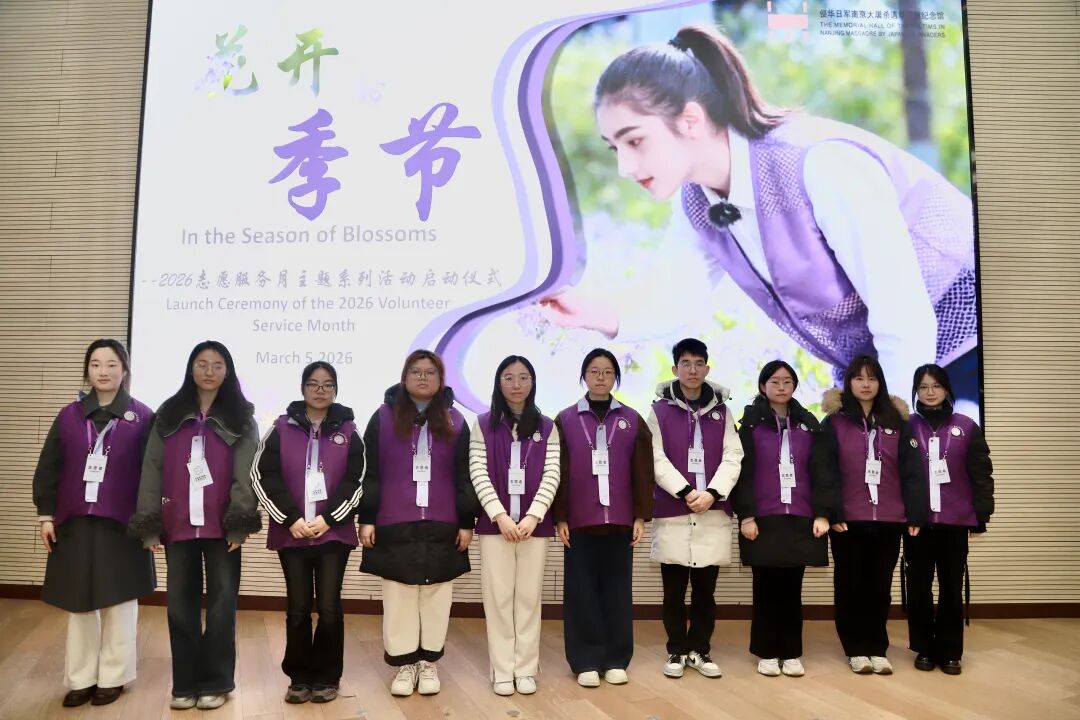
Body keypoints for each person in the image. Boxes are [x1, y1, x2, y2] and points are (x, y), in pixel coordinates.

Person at [543, 22, 978, 406]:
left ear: (690, 119)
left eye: (635, 141)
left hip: (973, 349)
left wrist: (895, 426)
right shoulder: (697, 199)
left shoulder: (820, 164)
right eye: (614, 148)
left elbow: (902, 315)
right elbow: (674, 294)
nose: (624, 166)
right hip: (894, 371)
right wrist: (589, 312)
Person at [129, 340, 261, 711]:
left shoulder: (241, 417)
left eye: (217, 364)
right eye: (201, 363)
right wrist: (149, 524)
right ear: (190, 368)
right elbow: (151, 470)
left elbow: (246, 474)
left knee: (221, 607)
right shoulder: (168, 414)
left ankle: (216, 682)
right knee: (179, 606)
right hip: (178, 526)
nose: (209, 371)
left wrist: (239, 522)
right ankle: (184, 684)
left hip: (222, 528)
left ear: (228, 371)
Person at [31, 339, 156, 707]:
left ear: (125, 370)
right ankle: (81, 678)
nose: (104, 371)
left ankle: (114, 677)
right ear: (87, 370)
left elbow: (154, 477)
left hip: (123, 525)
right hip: (74, 523)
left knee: (120, 601)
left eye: (112, 364)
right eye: (96, 364)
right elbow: (49, 467)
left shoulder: (142, 417)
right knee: (79, 602)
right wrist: (46, 514)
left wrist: (151, 524)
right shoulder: (68, 416)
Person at [357, 350, 478, 698]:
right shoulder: (382, 418)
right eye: (416, 371)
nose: (423, 377)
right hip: (394, 520)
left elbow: (464, 475)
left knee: (437, 596)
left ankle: (428, 663)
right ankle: (404, 664)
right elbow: (371, 472)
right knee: (399, 596)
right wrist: (367, 518)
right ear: (404, 377)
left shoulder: (456, 420)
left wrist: (466, 521)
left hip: (443, 521)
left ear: (441, 380)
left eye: (430, 372)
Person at [251, 361, 364, 703]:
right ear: (302, 388)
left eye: (327, 384)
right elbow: (262, 475)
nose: (320, 390)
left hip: (333, 533)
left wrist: (330, 518)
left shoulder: (349, 430)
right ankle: (299, 677)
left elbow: (357, 480)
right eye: (313, 384)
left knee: (329, 608)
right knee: (298, 608)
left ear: (336, 390)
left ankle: (327, 676)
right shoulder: (281, 427)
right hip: (293, 533)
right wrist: (290, 519)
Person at [814, 354, 927, 675]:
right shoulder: (834, 423)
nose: (866, 384)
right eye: (859, 378)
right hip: (848, 520)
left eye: (872, 378)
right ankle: (855, 649)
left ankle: (877, 647)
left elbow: (912, 472)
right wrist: (831, 512)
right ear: (849, 382)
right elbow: (824, 472)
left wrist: (915, 514)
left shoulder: (898, 423)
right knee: (849, 586)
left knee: (879, 587)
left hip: (890, 519)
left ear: (880, 383)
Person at [551, 348, 654, 687]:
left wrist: (640, 516)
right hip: (579, 523)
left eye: (608, 372)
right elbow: (558, 472)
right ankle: (585, 660)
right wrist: (560, 517)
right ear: (584, 376)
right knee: (581, 592)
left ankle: (616, 659)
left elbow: (643, 472)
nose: (600, 377)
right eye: (594, 371)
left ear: (615, 378)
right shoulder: (565, 420)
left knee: (617, 592)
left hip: (620, 522)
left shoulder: (632, 419)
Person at [647, 338, 742, 680]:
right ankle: (676, 649)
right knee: (673, 592)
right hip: (674, 509)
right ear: (675, 369)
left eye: (698, 363)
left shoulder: (722, 411)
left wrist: (712, 493)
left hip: (712, 511)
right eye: (685, 363)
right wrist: (686, 491)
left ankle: (700, 650)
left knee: (705, 591)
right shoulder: (658, 411)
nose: (692, 369)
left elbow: (733, 455)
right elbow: (655, 457)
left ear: (707, 368)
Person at [731, 360, 831, 678]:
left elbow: (820, 471)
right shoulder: (750, 425)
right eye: (774, 381)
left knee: (791, 589)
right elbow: (743, 474)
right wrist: (746, 515)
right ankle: (766, 651)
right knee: (765, 589)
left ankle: (790, 651)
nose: (781, 386)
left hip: (800, 516)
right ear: (763, 386)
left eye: (787, 381)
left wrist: (822, 513)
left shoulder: (807, 423)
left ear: (794, 386)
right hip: (763, 517)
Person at [469, 355, 560, 696]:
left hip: (535, 527)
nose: (517, 384)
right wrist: (501, 516)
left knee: (528, 598)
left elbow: (552, 473)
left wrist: (534, 515)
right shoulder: (483, 424)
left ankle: (526, 668)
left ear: (533, 383)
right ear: (499, 382)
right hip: (496, 527)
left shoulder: (547, 426)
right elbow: (477, 471)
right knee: (498, 598)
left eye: (524, 377)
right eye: (509, 377)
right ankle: (502, 669)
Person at [904, 363, 994, 675]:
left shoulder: (967, 426)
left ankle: (950, 650)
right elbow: (898, 476)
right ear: (916, 391)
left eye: (936, 386)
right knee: (918, 587)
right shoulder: (906, 427)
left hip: (955, 522)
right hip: (917, 524)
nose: (930, 392)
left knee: (952, 588)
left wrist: (981, 516)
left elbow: (981, 474)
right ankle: (924, 648)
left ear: (946, 389)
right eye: (923, 387)